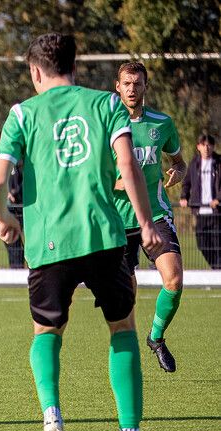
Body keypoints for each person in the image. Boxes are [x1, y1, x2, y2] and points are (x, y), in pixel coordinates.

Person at [0, 34, 165, 431]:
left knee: (46, 332)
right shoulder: (107, 105)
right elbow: (129, 168)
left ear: (35, 72)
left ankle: (52, 418)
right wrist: (145, 224)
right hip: (104, 236)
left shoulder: (21, 113)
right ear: (74, 65)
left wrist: (4, 219)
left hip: (48, 244)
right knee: (122, 327)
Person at [112, 62, 188, 373]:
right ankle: (127, 359)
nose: (132, 89)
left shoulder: (162, 123)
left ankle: (156, 337)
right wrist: (121, 181)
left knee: (174, 280)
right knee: (125, 298)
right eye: (126, 83)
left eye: (137, 84)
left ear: (146, 87)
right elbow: (93, 175)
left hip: (155, 213)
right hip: (117, 220)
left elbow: (180, 162)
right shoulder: (105, 126)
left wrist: (178, 172)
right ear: (118, 86)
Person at [180, 134, 221, 269]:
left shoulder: (218, 162)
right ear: (198, 147)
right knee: (202, 243)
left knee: (217, 243)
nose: (206, 147)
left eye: (209, 144)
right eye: (203, 144)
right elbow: (187, 183)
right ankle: (216, 269)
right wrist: (184, 197)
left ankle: (217, 272)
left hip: (216, 212)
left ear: (213, 146)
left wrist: (218, 199)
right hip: (200, 211)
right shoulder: (194, 163)